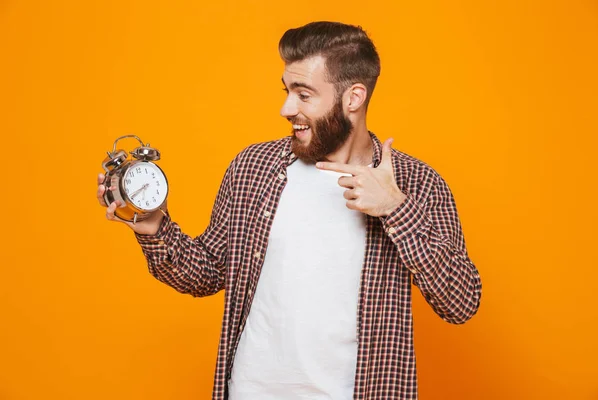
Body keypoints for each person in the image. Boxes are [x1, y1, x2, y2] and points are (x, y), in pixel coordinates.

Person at [97, 21, 482, 400]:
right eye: (286, 90)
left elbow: (461, 302)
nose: (285, 108)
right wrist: (152, 226)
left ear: (353, 97)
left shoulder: (415, 183)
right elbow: (208, 273)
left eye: (303, 94)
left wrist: (395, 209)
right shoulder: (254, 167)